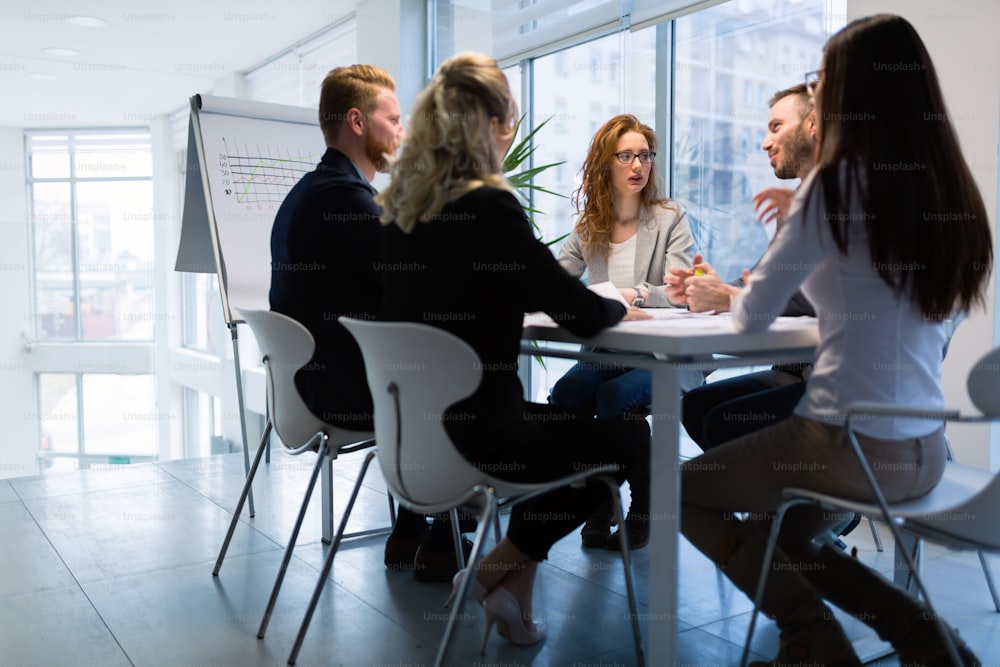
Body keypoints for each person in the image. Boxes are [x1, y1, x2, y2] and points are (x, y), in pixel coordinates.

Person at [681, 14, 990, 666]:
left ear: (853, 90)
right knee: (790, 536)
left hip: (841, 444)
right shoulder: (942, 187)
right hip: (925, 447)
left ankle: (817, 638)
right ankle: (923, 637)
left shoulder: (834, 183)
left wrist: (763, 264)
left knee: (675, 491)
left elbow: (750, 318)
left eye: (822, 81)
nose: (814, 93)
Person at [376, 52, 651, 651]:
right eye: (511, 123)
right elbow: (576, 310)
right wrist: (618, 306)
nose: (512, 134)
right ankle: (491, 570)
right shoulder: (488, 207)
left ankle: (514, 603)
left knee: (569, 425)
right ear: (493, 126)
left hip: (412, 440)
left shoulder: (398, 215)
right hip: (481, 438)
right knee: (626, 440)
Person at [269, 64, 465, 583]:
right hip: (340, 389)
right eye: (393, 119)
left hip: (308, 383)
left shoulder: (310, 191)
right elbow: (416, 282)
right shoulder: (343, 198)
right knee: (454, 378)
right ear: (357, 121)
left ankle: (411, 530)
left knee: (416, 365)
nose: (402, 132)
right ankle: (444, 535)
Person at [549, 114, 695, 550]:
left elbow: (681, 289)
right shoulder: (590, 223)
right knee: (567, 395)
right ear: (604, 164)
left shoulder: (669, 216)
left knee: (614, 399)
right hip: (611, 350)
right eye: (626, 156)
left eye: (645, 155)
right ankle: (598, 498)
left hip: (664, 356)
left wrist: (635, 293)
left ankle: (641, 509)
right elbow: (557, 278)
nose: (638, 165)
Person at [667, 84, 817, 452]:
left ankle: (798, 502)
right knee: (697, 407)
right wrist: (708, 289)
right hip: (790, 372)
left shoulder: (836, 199)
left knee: (719, 422)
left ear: (812, 124)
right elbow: (765, 277)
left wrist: (731, 295)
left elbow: (803, 292)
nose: (765, 142)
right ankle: (773, 502)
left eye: (776, 126)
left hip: (827, 382)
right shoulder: (794, 202)